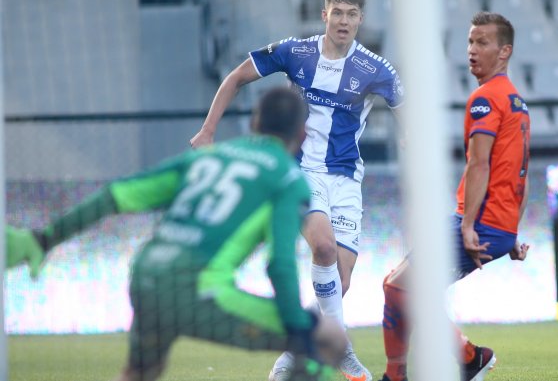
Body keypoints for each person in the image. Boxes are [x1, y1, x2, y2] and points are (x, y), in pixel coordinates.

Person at [5, 87, 348, 381]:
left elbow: (115, 195)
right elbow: (280, 265)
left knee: (139, 374)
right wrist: (300, 332)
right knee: (328, 339)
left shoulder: (207, 158)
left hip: (146, 274)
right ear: (302, 135)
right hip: (196, 290)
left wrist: (44, 238)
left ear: (255, 122)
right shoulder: (288, 180)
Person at [190, 0, 403, 381]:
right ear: (325, 15)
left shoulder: (375, 69)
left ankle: (297, 347)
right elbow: (237, 76)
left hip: (347, 180)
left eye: (351, 14)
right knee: (322, 247)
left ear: (360, 20)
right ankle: (343, 350)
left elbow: (405, 111)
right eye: (336, 12)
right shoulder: (296, 52)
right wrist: (208, 131)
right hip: (302, 172)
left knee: (339, 281)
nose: (343, 21)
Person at [380, 12, 531, 381]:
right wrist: (510, 234)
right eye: (470, 42)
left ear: (504, 51)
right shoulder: (517, 102)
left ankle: (465, 358)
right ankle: (414, 370)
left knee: (399, 285)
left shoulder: (485, 99)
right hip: (497, 226)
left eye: (483, 42)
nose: (472, 50)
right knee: (406, 287)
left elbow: (480, 165)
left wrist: (467, 226)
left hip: (478, 223)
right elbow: (519, 171)